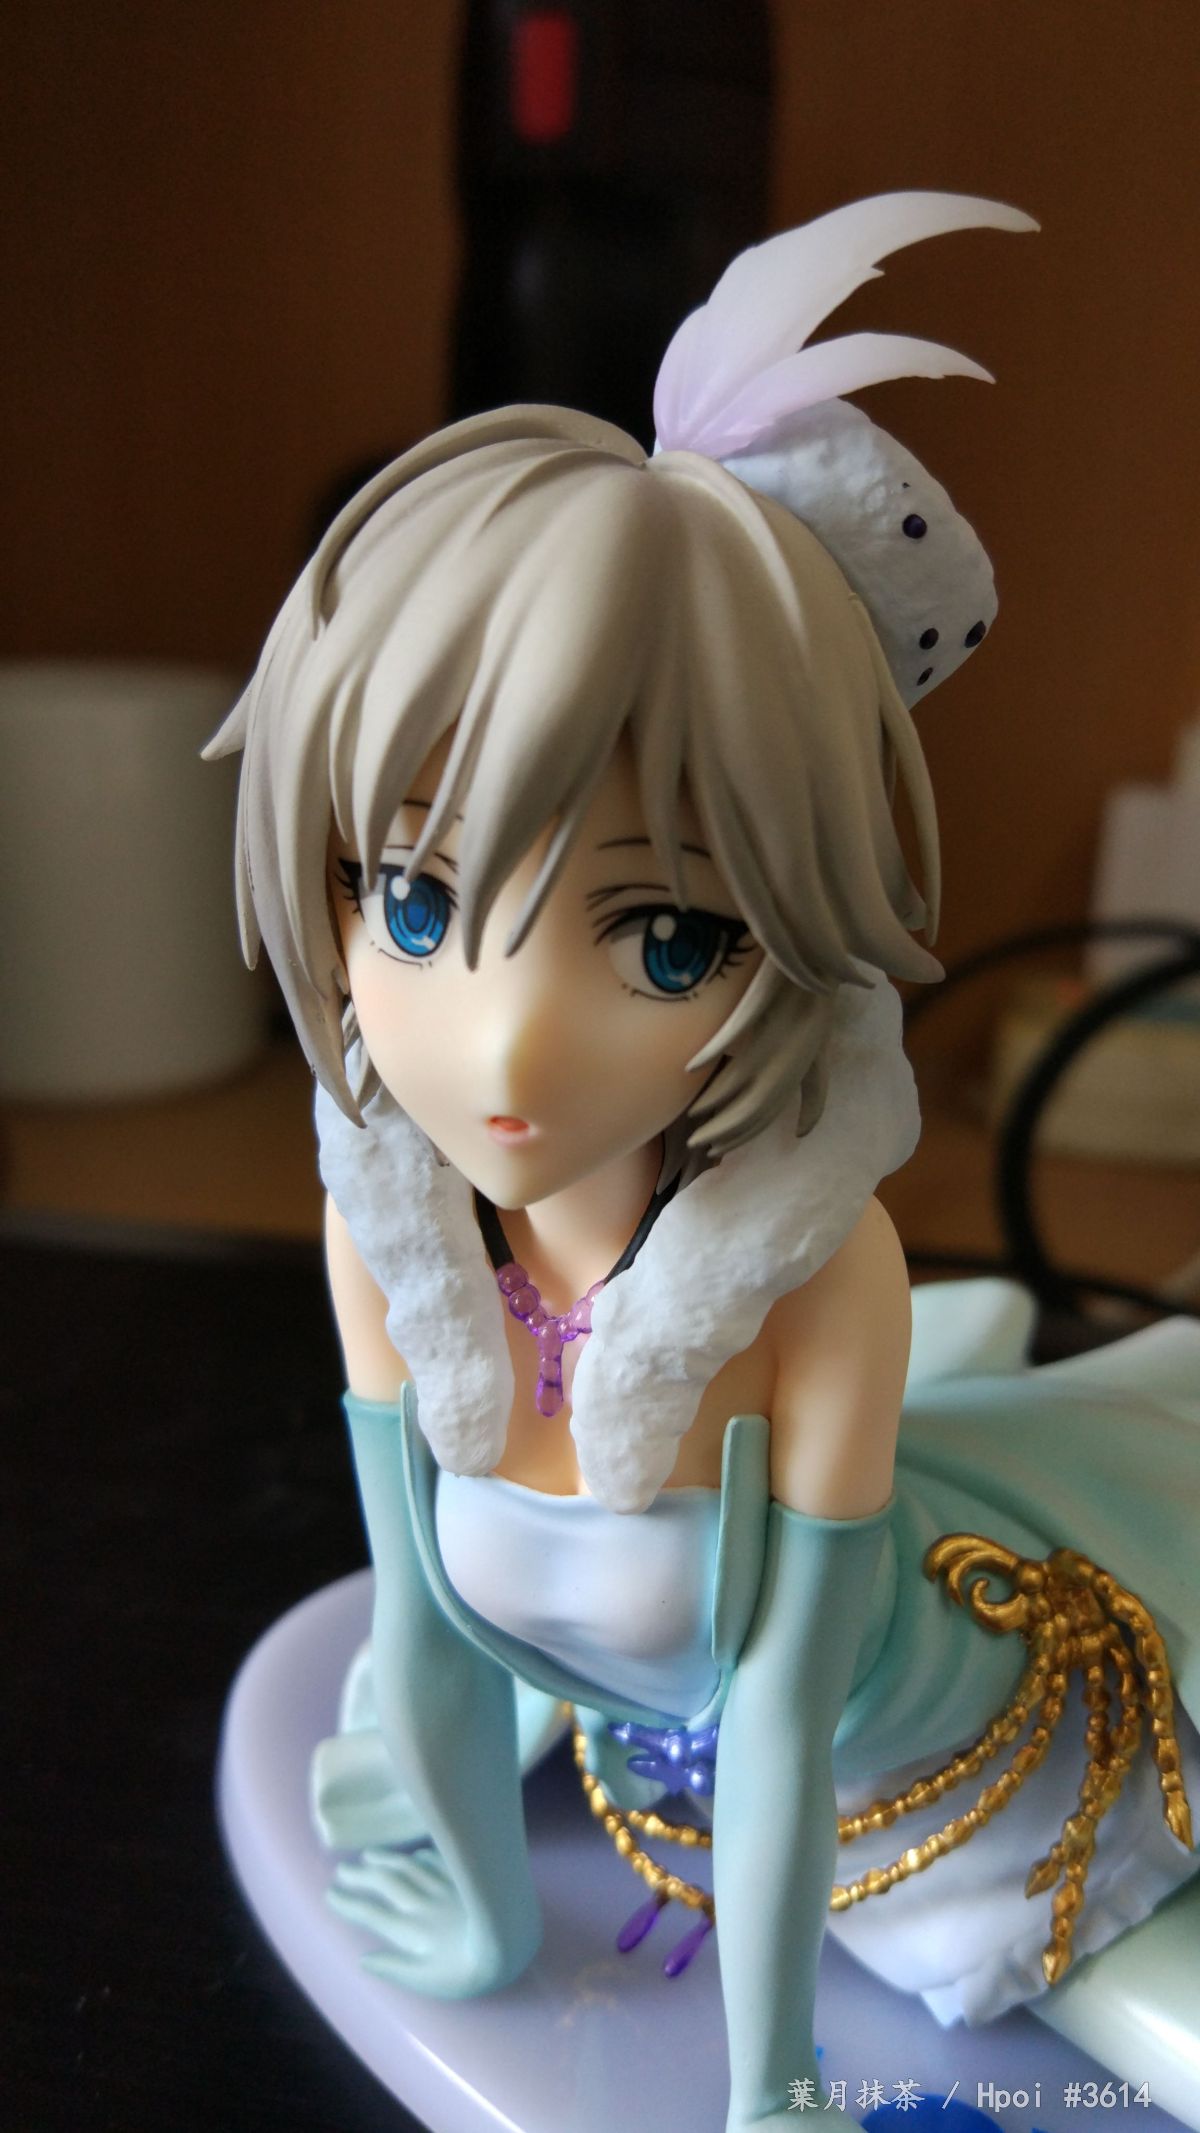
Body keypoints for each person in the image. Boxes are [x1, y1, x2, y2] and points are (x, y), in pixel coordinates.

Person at [208, 194, 1199, 2130]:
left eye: (667, 937)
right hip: (635, 1751)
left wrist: (773, 2089)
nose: (506, 1046)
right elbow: (424, 1627)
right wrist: (481, 1911)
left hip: (932, 1748)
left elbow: (791, 1727)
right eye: (415, 899)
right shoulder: (391, 1230)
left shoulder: (814, 1277)